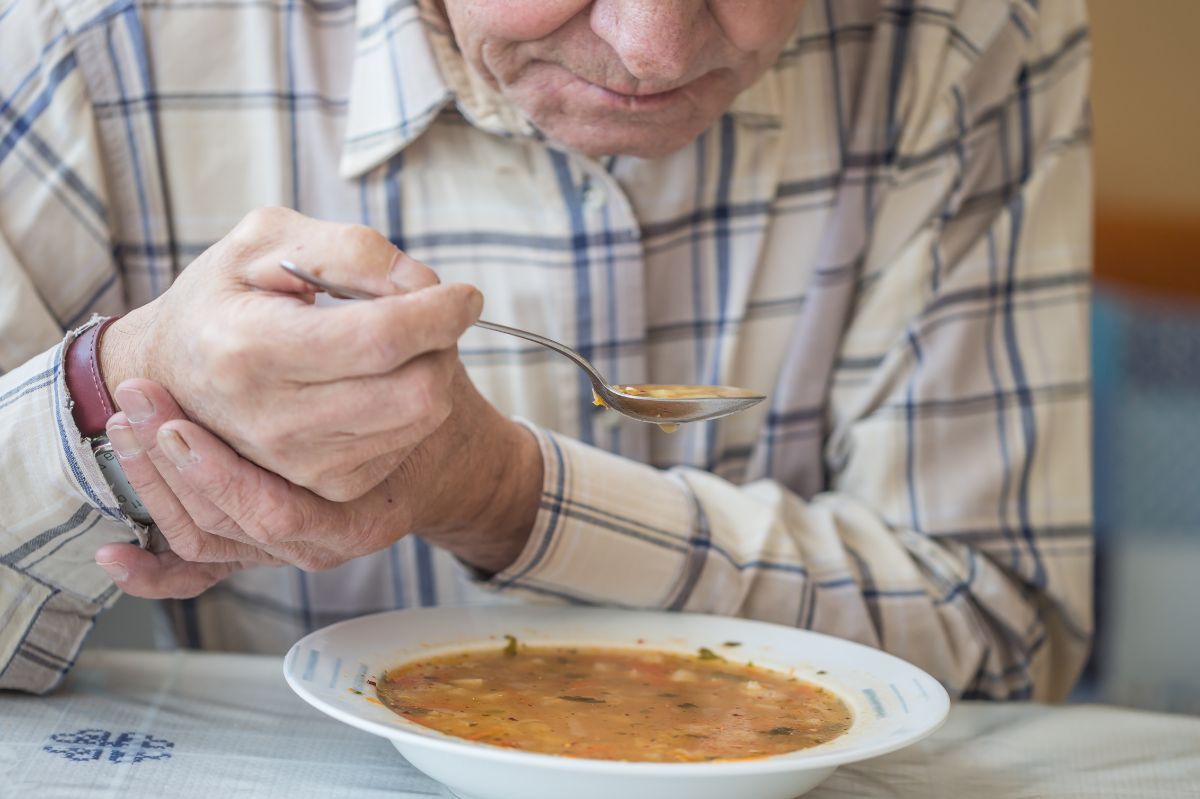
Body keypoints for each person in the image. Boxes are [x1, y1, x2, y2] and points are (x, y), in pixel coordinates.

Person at [0, 0, 1092, 700]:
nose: (651, 48)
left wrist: (507, 492)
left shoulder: (967, 38)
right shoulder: (82, 39)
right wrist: (106, 388)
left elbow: (1003, 636)